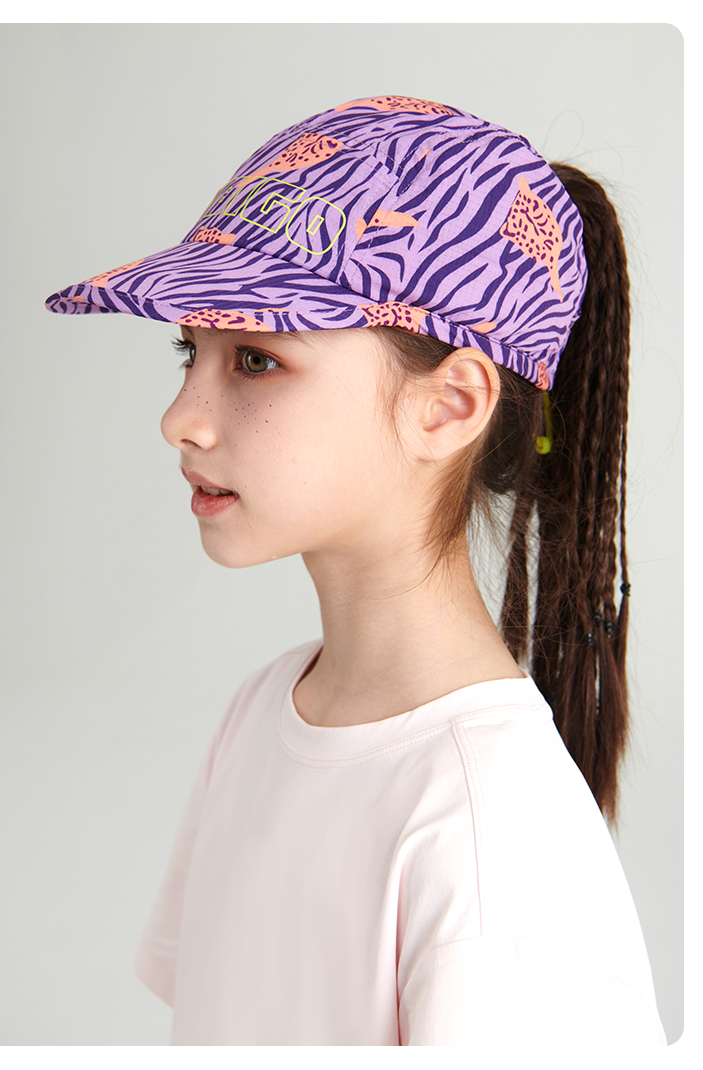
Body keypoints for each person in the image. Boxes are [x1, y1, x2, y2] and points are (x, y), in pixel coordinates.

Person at [45, 95, 667, 1051]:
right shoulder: (265, 712)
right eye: (188, 352)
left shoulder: (492, 828)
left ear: (447, 407)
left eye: (255, 360)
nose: (181, 419)